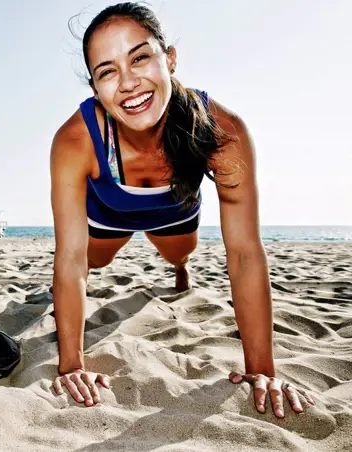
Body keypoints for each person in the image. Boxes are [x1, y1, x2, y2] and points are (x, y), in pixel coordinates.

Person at [49, 2, 314, 417]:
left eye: (140, 58)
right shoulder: (75, 139)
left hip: (175, 209)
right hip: (107, 212)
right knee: (93, 262)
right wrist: (72, 366)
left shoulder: (222, 130)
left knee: (178, 253)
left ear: (169, 59)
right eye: (107, 71)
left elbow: (244, 253)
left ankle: (180, 268)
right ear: (94, 87)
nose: (129, 83)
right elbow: (69, 257)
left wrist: (262, 371)